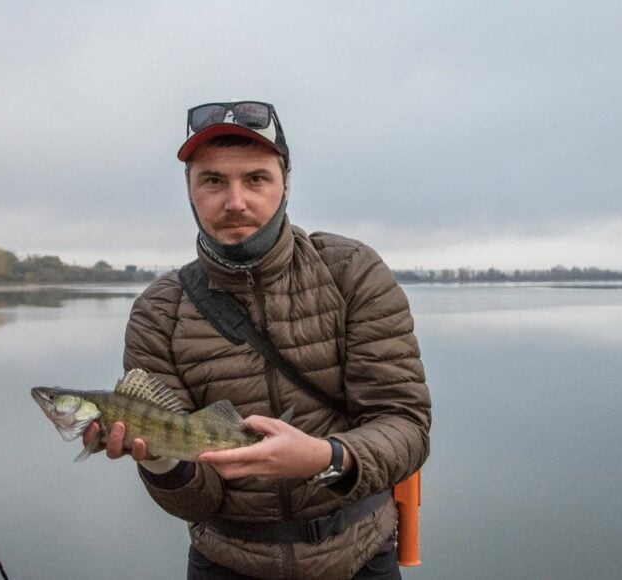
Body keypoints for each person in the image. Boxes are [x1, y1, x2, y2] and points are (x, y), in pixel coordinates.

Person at [83, 100, 431, 579]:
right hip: (226, 564)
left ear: (286, 181)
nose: (235, 202)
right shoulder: (158, 311)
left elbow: (406, 426)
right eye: (212, 181)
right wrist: (163, 461)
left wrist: (324, 458)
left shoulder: (352, 272)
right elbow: (196, 499)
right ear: (189, 189)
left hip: (361, 557)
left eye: (256, 178)